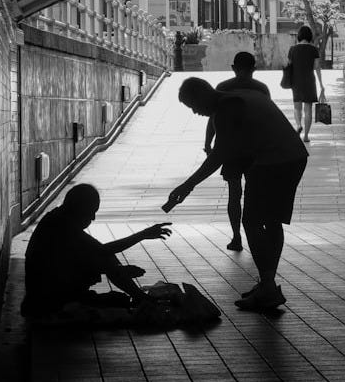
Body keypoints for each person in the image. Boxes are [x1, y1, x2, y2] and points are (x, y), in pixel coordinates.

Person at [168, 77, 308, 311]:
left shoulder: (225, 109)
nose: (195, 112)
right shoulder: (241, 96)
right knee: (273, 222)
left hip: (272, 160)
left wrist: (187, 185)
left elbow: (219, 154)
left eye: (192, 106)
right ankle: (267, 285)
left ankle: (267, 285)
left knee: (251, 222)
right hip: (294, 156)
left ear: (201, 96)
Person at [21, 184, 173, 318]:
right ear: (77, 208)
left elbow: (101, 251)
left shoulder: (60, 219)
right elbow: (97, 255)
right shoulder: (59, 226)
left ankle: (139, 297)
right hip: (48, 299)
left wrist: (118, 268)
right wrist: (120, 268)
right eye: (91, 211)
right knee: (116, 299)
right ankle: (139, 298)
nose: (93, 218)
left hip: (54, 293)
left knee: (111, 275)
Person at [203, 52, 271, 252]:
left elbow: (212, 118)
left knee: (234, 194)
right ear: (254, 69)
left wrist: (208, 143)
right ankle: (256, 234)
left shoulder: (223, 88)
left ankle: (236, 237)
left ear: (233, 67)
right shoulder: (262, 89)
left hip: (230, 149)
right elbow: (265, 118)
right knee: (255, 194)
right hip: (255, 149)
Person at [287, 25, 325, 142]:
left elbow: (289, 66)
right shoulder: (313, 49)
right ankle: (306, 136)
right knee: (308, 109)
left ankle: (298, 125)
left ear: (299, 36)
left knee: (297, 107)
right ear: (309, 36)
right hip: (309, 81)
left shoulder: (292, 49)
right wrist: (321, 85)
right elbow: (317, 67)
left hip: (296, 81)